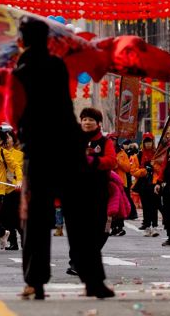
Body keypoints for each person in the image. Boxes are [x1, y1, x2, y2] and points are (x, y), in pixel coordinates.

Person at [9, 17, 114, 300]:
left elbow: (15, 114)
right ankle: (93, 281)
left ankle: (35, 283)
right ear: (47, 38)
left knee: (36, 221)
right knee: (79, 219)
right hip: (68, 149)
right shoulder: (57, 65)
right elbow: (65, 106)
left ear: (23, 39)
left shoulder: (19, 72)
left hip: (39, 152)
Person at [65, 107, 118, 276]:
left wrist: (91, 160)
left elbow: (111, 161)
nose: (87, 123)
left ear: (98, 123)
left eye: (91, 120)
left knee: (99, 229)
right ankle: (75, 262)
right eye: (84, 119)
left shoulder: (105, 142)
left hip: (98, 192)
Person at [0, 131, 24, 250]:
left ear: (13, 140)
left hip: (14, 190)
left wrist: (14, 179)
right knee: (5, 218)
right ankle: (13, 242)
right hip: (0, 189)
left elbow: (22, 172)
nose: (7, 140)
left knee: (17, 217)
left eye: (8, 138)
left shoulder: (19, 154)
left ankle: (25, 240)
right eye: (5, 138)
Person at [134, 133, 160, 236]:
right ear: (143, 143)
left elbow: (161, 169)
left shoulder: (157, 154)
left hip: (154, 183)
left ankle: (155, 226)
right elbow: (133, 170)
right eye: (146, 142)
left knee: (154, 206)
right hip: (143, 184)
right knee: (145, 206)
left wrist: (154, 167)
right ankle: (147, 226)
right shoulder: (139, 155)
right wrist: (144, 171)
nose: (148, 144)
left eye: (149, 142)